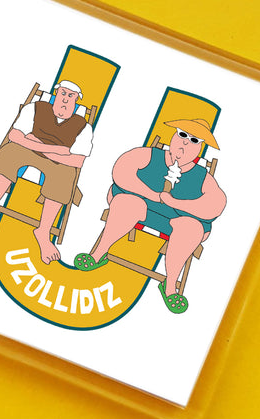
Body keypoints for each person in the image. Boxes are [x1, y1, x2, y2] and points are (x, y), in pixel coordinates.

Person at [74, 118, 226, 314]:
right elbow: (122, 170)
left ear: (199, 148)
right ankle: (97, 254)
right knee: (127, 204)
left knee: (190, 229)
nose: (185, 142)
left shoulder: (202, 177)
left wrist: (175, 203)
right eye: (182, 135)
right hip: (141, 206)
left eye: (194, 140)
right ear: (174, 136)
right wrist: (152, 195)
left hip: (176, 219)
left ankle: (170, 286)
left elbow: (216, 205)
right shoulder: (150, 155)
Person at [0, 80, 93, 264]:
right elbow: (14, 135)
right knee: (9, 154)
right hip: (31, 151)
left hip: (54, 161)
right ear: (56, 93)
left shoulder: (83, 126)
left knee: (65, 175)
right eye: (63, 93)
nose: (65, 99)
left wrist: (36, 143)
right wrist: (56, 150)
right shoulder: (35, 108)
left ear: (76, 100)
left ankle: (43, 232)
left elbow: (77, 161)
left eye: (71, 96)